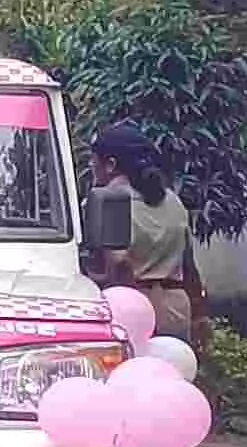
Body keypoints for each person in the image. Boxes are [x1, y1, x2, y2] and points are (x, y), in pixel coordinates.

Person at [87, 125, 206, 352]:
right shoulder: (173, 201)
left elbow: (118, 267)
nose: (91, 167)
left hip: (129, 311)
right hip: (177, 310)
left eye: (93, 160)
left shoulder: (106, 202)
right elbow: (189, 266)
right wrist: (198, 315)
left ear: (110, 165)